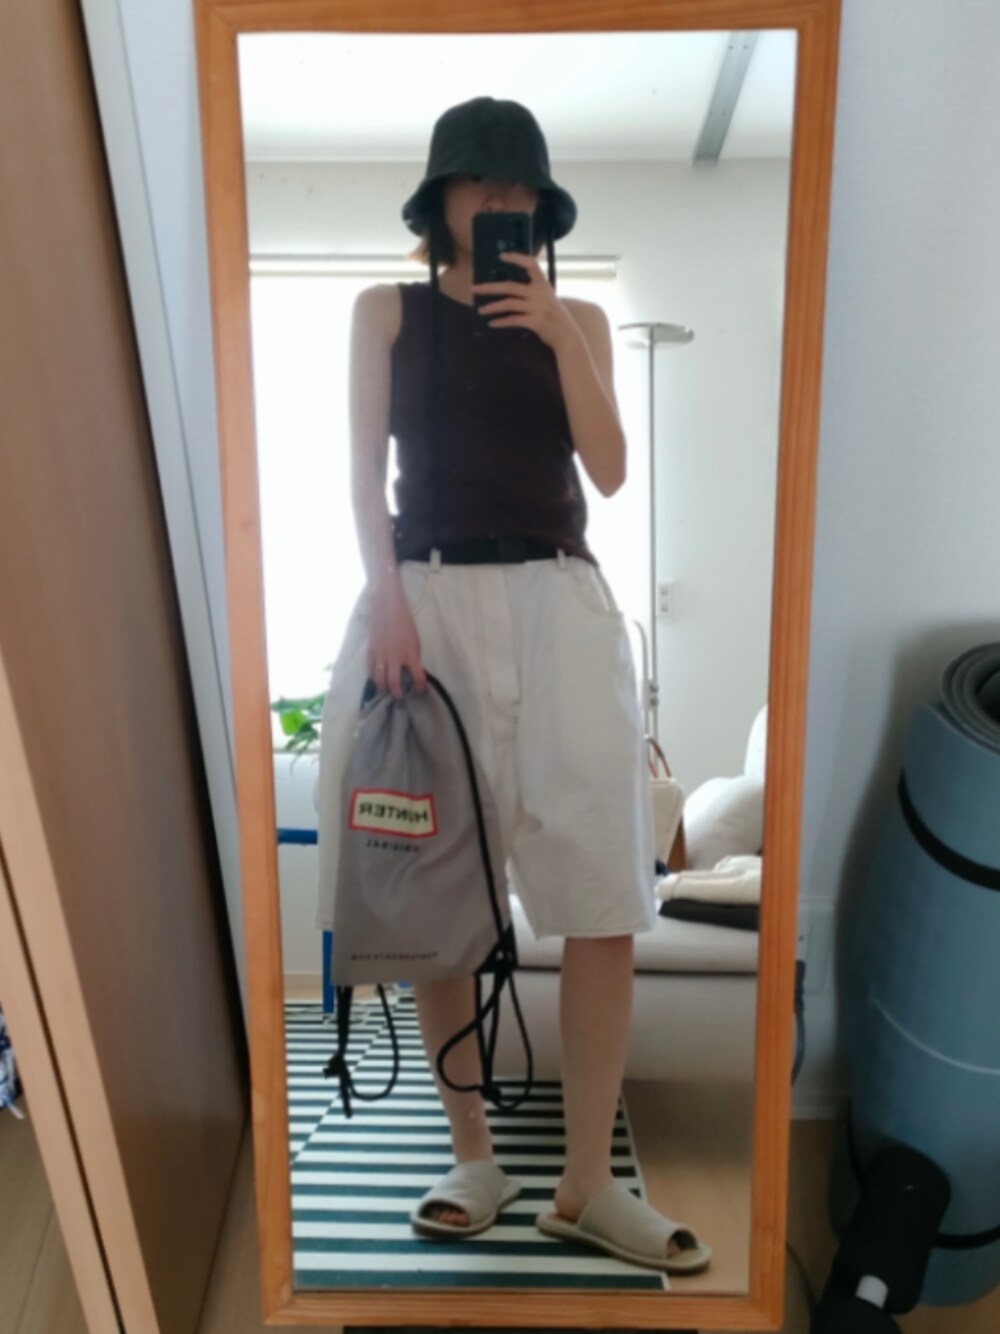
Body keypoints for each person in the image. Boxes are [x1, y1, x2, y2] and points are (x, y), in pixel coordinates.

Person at [315, 96, 710, 1275]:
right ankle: (473, 1154)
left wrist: (557, 334)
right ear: (439, 197)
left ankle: (587, 1180)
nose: (500, 201)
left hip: (559, 603)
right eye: (479, 181)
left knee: (601, 889)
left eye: (519, 186)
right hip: (424, 598)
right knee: (434, 887)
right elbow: (361, 470)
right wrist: (385, 598)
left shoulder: (574, 315)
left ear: (542, 204)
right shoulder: (383, 311)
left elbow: (612, 469)